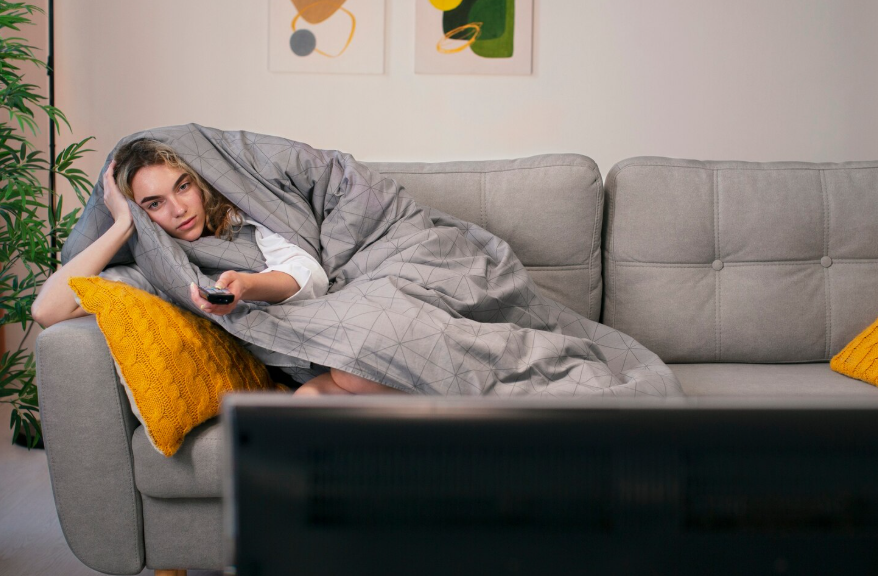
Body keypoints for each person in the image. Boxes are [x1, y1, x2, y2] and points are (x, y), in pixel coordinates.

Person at [31, 139, 404, 396]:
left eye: (182, 187)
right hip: (307, 369)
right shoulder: (153, 270)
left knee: (355, 371)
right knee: (314, 399)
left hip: (335, 332)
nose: (178, 209)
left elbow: (308, 275)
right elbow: (48, 310)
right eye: (154, 204)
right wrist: (122, 226)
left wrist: (245, 285)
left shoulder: (244, 218)